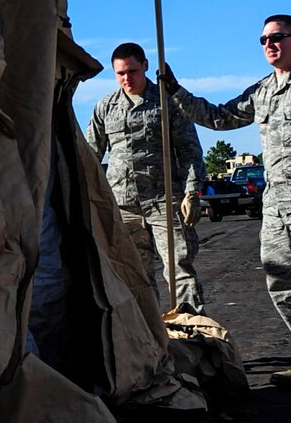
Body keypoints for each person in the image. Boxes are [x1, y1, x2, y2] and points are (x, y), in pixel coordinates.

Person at [161, 15, 291, 390]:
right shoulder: (263, 90)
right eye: (264, 39)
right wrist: (176, 91)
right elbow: (220, 117)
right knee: (279, 280)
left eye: (277, 37)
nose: (269, 44)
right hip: (275, 201)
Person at [86, 41, 206, 313]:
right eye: (120, 74)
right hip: (124, 206)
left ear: (145, 67)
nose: (127, 78)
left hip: (165, 202)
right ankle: (150, 340)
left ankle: (194, 334)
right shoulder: (106, 107)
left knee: (179, 270)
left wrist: (192, 192)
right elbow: (90, 153)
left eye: (132, 71)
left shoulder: (167, 103)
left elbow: (190, 150)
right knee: (135, 276)